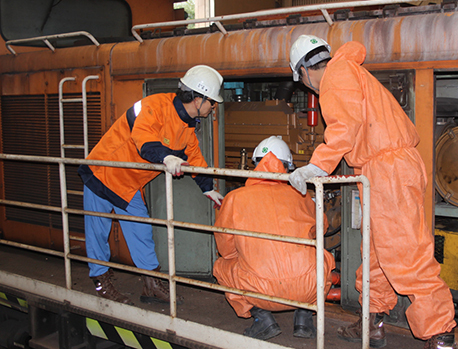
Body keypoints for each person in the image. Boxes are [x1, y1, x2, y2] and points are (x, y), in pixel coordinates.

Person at [288, 35, 457, 349]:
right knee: (377, 251)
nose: (308, 87)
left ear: (306, 70)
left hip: (387, 168)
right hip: (383, 168)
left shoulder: (335, 76)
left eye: (303, 80)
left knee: (405, 253)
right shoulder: (351, 72)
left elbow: (344, 126)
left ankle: (440, 333)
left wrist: (316, 166)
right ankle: (373, 322)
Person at [78, 65, 225, 305]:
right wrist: (166, 157)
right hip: (103, 172)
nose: (213, 108)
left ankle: (151, 285)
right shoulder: (155, 106)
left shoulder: (187, 125)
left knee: (142, 230)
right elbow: (143, 139)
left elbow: (195, 157)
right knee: (98, 232)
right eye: (212, 102)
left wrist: (207, 187)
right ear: (198, 99)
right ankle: (101, 281)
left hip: (129, 182)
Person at [212, 136, 336, 341]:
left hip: (258, 290)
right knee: (323, 257)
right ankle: (304, 317)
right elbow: (319, 231)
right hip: (306, 289)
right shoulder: (302, 196)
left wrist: (247, 255)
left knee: (221, 265)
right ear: (288, 168)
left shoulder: (235, 198)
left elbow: (226, 249)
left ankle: (262, 319)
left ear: (255, 165)